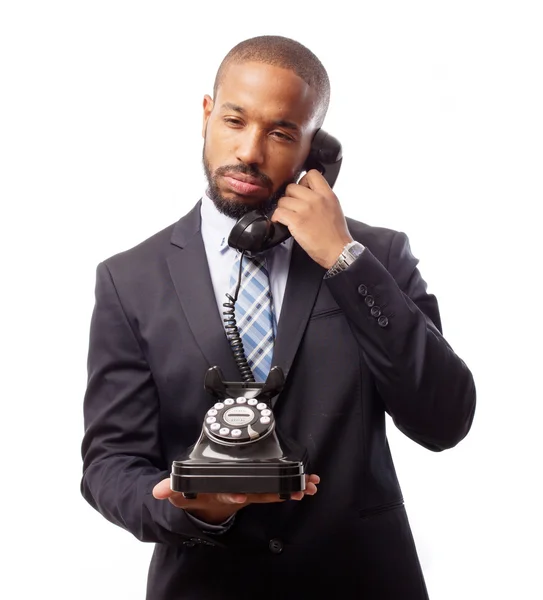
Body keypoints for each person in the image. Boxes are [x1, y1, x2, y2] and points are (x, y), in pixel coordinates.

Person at [80, 35, 476, 599]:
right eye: (235, 121)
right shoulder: (129, 279)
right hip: (205, 583)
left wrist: (344, 260)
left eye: (281, 133)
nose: (249, 151)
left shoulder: (377, 258)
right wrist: (193, 509)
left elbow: (445, 418)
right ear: (206, 114)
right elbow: (110, 461)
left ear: (316, 149)